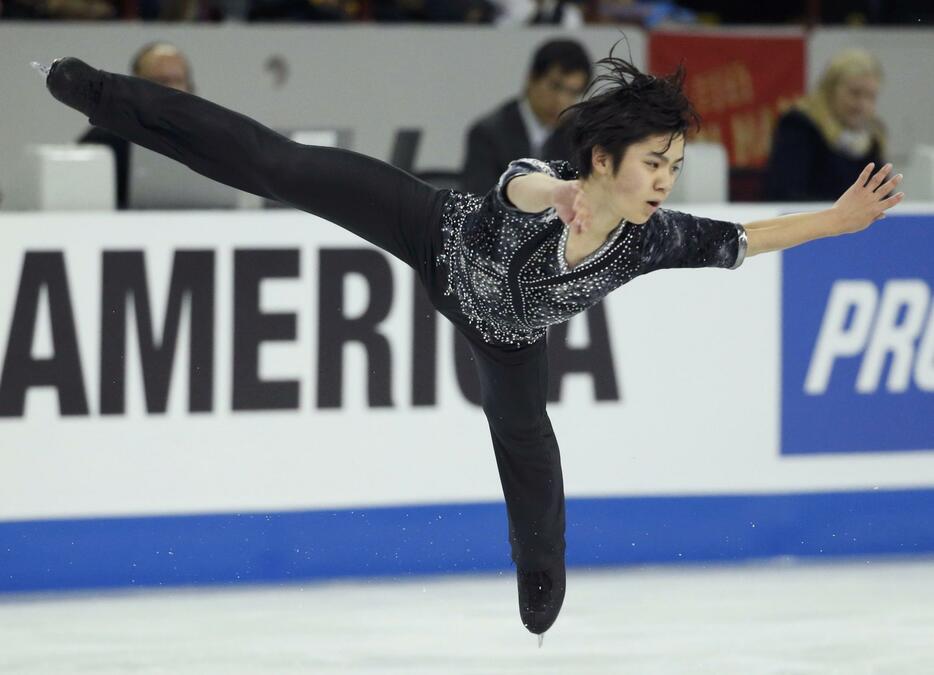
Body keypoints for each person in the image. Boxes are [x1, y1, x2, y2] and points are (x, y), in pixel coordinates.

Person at [38, 45, 903, 638]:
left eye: (673, 168)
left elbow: (744, 241)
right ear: (602, 161)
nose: (664, 183)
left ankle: (541, 584)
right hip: (432, 233)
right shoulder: (546, 183)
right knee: (281, 165)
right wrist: (553, 195)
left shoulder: (649, 238)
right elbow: (521, 187)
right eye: (653, 165)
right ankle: (105, 95)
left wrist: (835, 219)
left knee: (527, 442)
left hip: (508, 335)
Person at [461, 39, 591, 194]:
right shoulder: (488, 134)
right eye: (555, 86)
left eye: (573, 93)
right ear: (531, 79)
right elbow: (480, 202)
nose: (561, 101)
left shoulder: (581, 136)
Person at [78, 42, 194, 209]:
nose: (172, 89)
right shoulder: (103, 141)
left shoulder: (206, 139)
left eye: (178, 80)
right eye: (160, 81)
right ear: (135, 85)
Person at [765, 48, 886, 202]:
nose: (862, 105)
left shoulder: (872, 138)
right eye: (855, 93)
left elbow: (883, 196)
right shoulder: (800, 126)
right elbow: (786, 193)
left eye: (870, 96)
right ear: (830, 90)